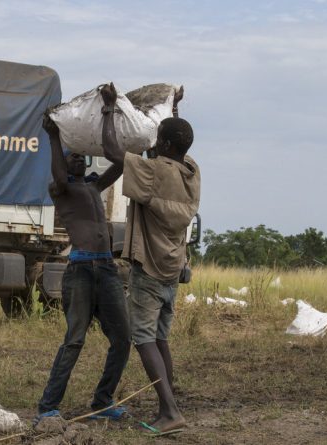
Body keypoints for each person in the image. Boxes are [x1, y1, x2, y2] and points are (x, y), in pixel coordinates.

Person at [100, 83, 200, 436]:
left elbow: (113, 151)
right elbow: (176, 142)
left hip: (149, 270)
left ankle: (170, 412)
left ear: (168, 146)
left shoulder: (154, 172)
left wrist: (110, 109)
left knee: (142, 339)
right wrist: (173, 110)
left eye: (159, 139)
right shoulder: (191, 173)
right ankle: (167, 406)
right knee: (159, 339)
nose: (153, 143)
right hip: (172, 270)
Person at [34, 114, 131, 424]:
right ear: (63, 162)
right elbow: (60, 177)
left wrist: (109, 115)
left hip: (106, 268)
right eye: (72, 156)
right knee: (75, 339)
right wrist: (53, 138)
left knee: (123, 338)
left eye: (81, 156)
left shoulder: (93, 185)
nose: (78, 160)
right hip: (80, 270)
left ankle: (103, 401)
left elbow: (120, 164)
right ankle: (48, 406)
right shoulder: (59, 188)